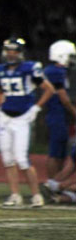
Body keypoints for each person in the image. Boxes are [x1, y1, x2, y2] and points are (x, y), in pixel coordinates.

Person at [0, 38, 54, 207]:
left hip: (22, 118)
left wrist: (36, 108)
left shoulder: (29, 68)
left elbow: (49, 89)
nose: (11, 54)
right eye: (9, 51)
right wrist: (1, 106)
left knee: (22, 159)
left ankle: (36, 195)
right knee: (8, 160)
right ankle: (15, 195)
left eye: (15, 51)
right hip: (6, 118)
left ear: (20, 53)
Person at [43, 40, 76, 181]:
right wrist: (74, 112)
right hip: (57, 114)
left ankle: (56, 183)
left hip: (60, 114)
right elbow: (64, 98)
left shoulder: (60, 71)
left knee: (61, 152)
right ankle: (52, 183)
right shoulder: (55, 71)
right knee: (55, 152)